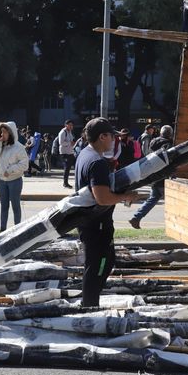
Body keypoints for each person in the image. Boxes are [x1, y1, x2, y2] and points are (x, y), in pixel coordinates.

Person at [75, 117, 138, 307]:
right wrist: (126, 196)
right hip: (97, 225)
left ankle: (90, 304)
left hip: (91, 223)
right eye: (112, 136)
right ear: (102, 136)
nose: (114, 140)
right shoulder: (97, 162)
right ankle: (89, 308)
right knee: (97, 268)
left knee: (106, 261)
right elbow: (102, 198)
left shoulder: (85, 154)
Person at [129, 125, 174, 230]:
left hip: (153, 174)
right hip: (163, 175)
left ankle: (137, 217)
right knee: (172, 199)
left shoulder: (153, 142)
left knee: (153, 198)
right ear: (170, 134)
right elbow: (169, 160)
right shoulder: (168, 145)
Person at [0, 121, 28, 232]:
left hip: (15, 181)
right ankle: (3, 230)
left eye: (5, 132)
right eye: (1, 132)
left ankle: (17, 230)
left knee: (15, 206)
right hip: (2, 181)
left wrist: (11, 170)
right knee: (4, 206)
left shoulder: (19, 147)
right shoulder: (1, 146)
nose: (2, 134)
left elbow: (25, 165)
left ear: (11, 133)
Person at [57, 119, 75, 188]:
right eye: (70, 125)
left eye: (72, 125)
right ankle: (65, 183)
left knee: (75, 165)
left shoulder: (70, 132)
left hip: (70, 152)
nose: (71, 126)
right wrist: (70, 143)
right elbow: (61, 143)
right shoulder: (63, 132)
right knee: (67, 168)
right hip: (64, 153)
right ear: (66, 125)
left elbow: (71, 141)